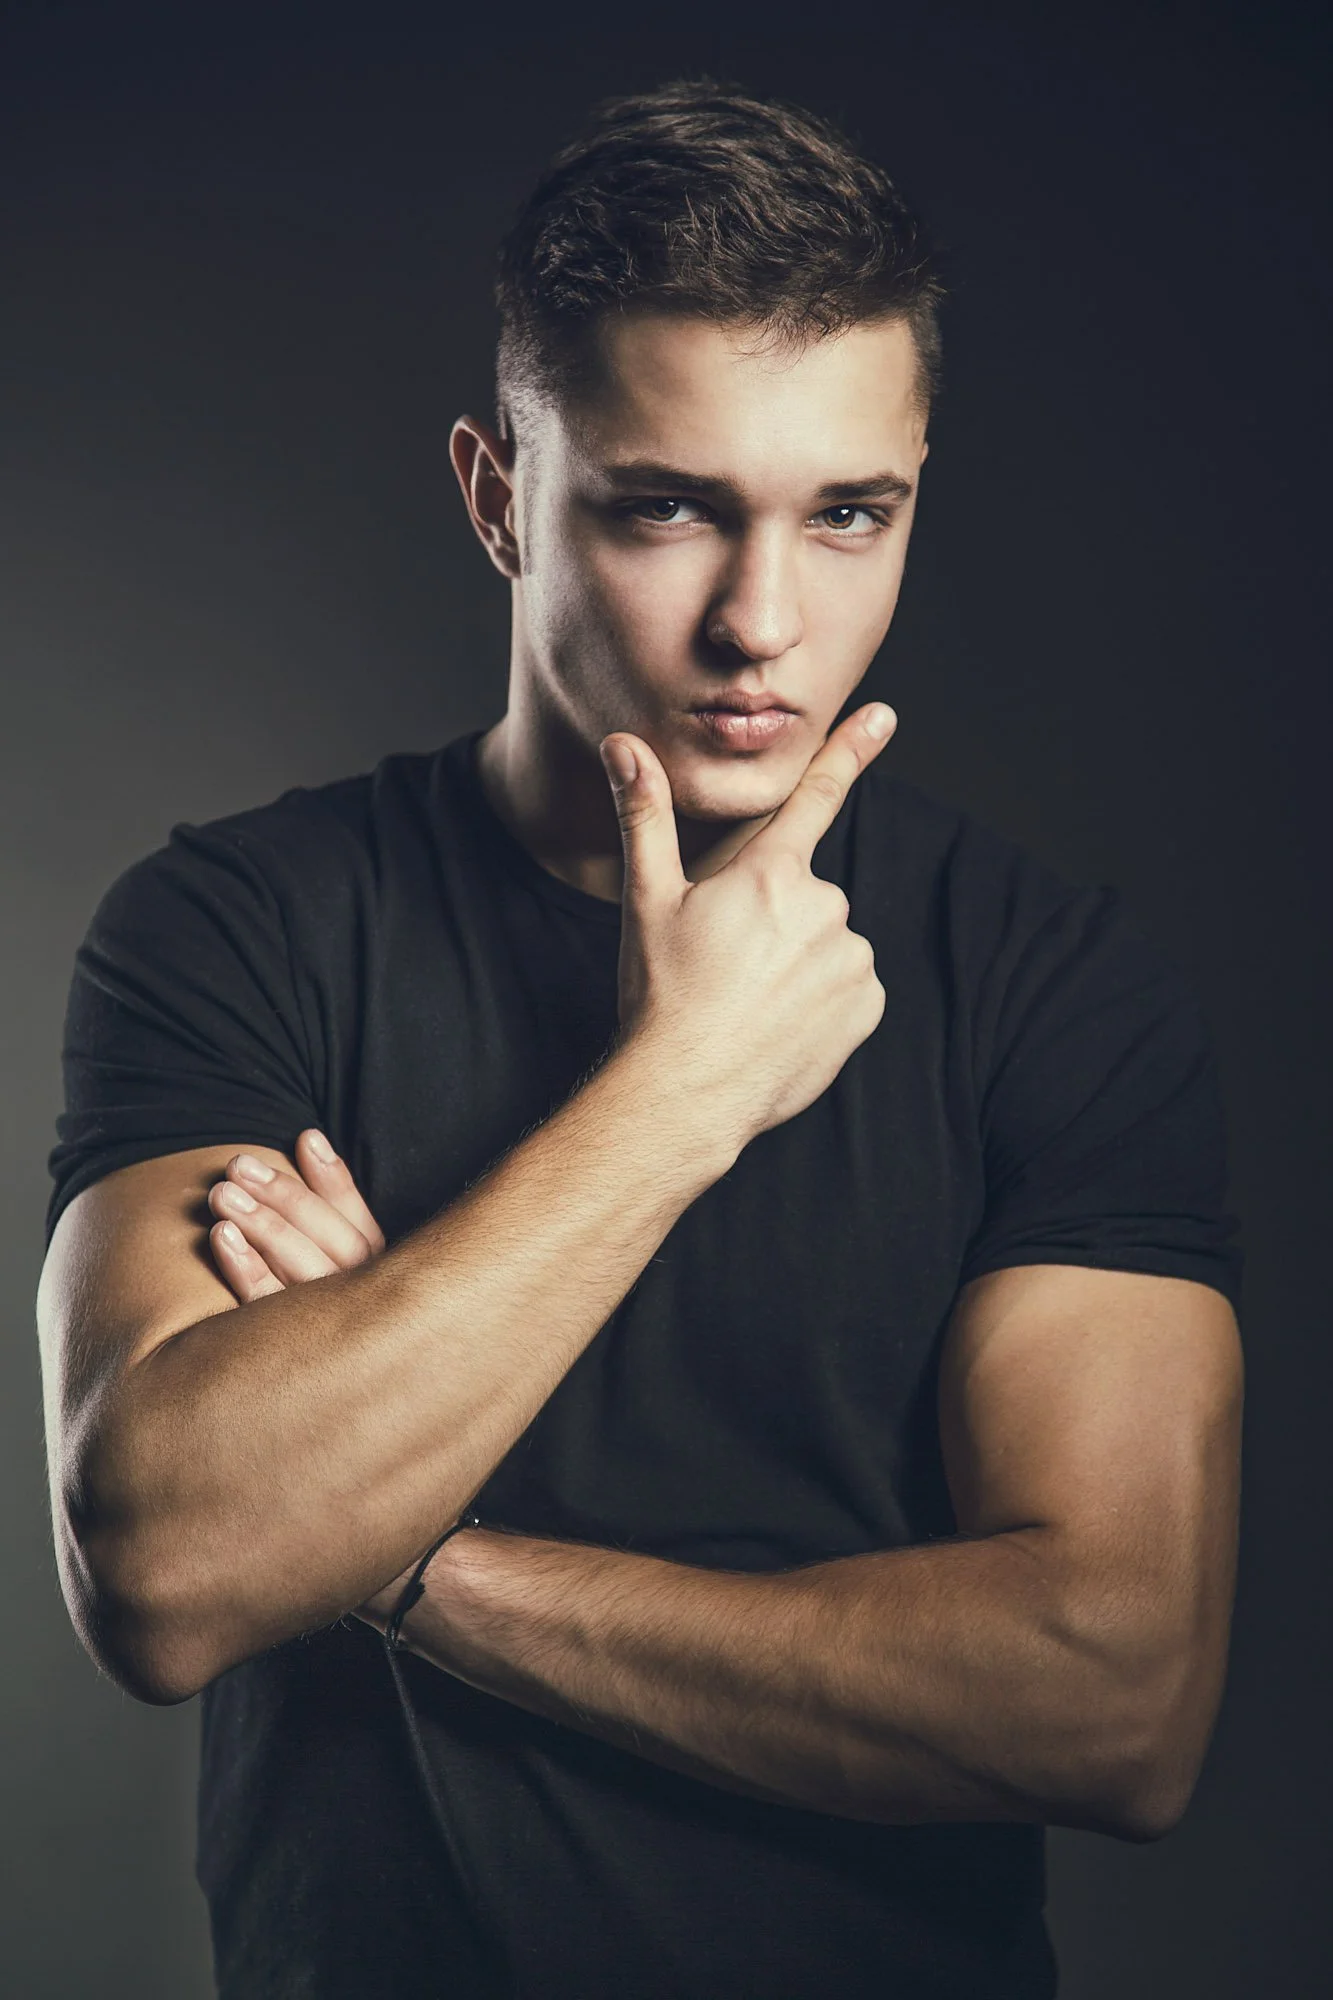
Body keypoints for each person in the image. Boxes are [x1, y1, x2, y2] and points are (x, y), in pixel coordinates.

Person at [35, 77, 1243, 2000]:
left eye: (850, 513)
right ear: (497, 492)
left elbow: (1114, 1703)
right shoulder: (240, 925)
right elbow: (168, 1571)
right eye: (666, 508)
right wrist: (680, 1095)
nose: (762, 620)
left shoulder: (1051, 984)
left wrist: (411, 1560)